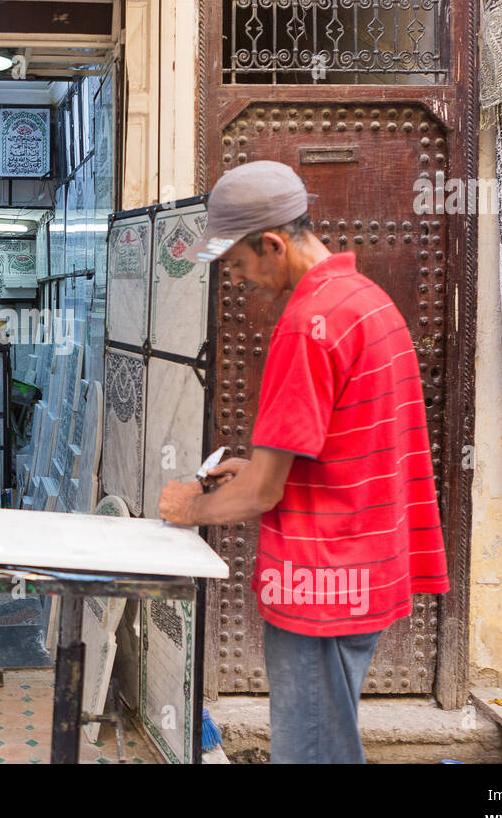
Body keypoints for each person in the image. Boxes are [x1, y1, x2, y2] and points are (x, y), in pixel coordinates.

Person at [157, 160, 449, 763]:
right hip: (365, 569)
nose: (238, 281)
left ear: (271, 243)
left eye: (238, 264)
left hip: (320, 579)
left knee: (312, 753)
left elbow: (263, 493)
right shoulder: (367, 301)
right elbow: (351, 446)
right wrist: (253, 469)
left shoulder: (305, 325)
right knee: (330, 744)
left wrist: (192, 507)